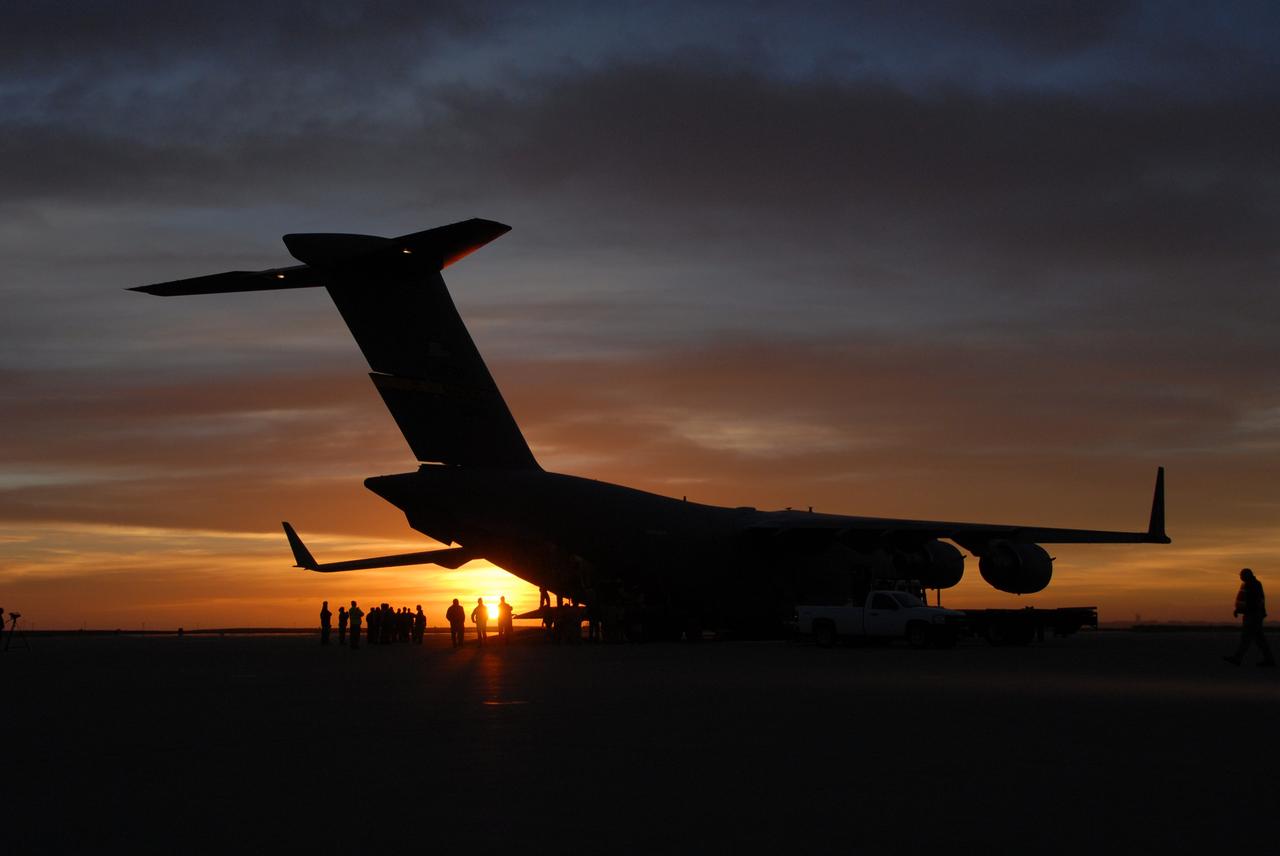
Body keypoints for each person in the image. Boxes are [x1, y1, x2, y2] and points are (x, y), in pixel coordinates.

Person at [1225, 568, 1275, 666]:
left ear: (1247, 575)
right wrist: (1239, 610)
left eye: (1242, 575)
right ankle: (1269, 660)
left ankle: (1237, 658)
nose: (1241, 577)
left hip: (1253, 616)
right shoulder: (1250, 584)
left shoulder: (1254, 585)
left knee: (1247, 638)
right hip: (1252, 615)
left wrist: (1243, 611)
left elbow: (1254, 602)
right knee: (1258, 639)